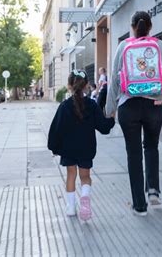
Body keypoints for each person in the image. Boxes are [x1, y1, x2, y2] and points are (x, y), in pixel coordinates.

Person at [106, 11, 162, 216]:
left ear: (132, 27)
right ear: (150, 26)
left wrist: (109, 109)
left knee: (133, 153)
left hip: (128, 106)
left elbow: (114, 80)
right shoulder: (160, 46)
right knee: (151, 146)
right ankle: (153, 190)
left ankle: (139, 205)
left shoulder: (123, 46)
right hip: (154, 104)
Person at [48, 70, 115, 220]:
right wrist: (111, 119)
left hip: (68, 149)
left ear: (69, 86)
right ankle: (85, 197)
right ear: (86, 86)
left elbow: (56, 129)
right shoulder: (92, 105)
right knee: (85, 177)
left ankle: (71, 207)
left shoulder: (64, 106)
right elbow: (103, 127)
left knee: (71, 175)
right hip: (86, 148)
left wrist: (54, 147)